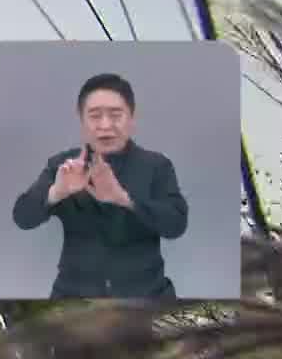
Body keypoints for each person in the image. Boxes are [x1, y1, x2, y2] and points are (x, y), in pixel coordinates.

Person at [11, 72, 188, 298]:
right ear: (82, 120)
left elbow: (176, 225)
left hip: (147, 296)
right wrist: (57, 192)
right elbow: (22, 217)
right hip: (74, 300)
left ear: (132, 119)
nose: (105, 125)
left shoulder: (156, 165)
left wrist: (124, 199)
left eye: (116, 115)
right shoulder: (63, 166)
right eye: (95, 116)